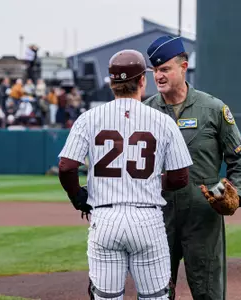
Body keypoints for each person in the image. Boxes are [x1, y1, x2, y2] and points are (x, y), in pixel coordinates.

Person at [58, 49, 193, 300]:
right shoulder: (163, 121)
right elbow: (180, 178)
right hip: (147, 219)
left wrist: (78, 197)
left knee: (106, 297)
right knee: (157, 296)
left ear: (111, 83)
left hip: (105, 218)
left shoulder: (89, 118)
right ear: (143, 80)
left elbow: (66, 167)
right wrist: (151, 181)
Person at [143, 35, 241, 300]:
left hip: (203, 215)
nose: (159, 76)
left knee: (208, 292)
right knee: (154, 293)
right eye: (155, 70)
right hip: (158, 217)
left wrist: (236, 194)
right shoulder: (144, 112)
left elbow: (239, 158)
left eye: (165, 69)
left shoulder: (213, 109)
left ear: (184, 66)